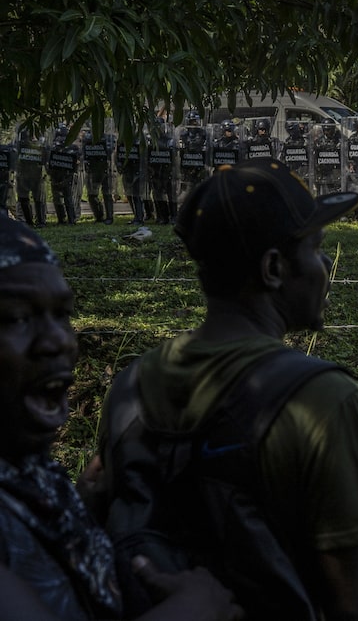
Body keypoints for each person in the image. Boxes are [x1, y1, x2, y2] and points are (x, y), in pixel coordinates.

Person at [99, 158, 358, 620]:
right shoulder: (319, 399)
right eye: (316, 249)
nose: (324, 267)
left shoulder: (130, 386)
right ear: (274, 268)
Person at [0, 216, 243, 621]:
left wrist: (83, 505)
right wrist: (193, 610)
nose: (58, 340)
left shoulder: (31, 475)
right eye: (16, 318)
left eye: (63, 314)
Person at [81, 128, 117, 224]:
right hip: (92, 169)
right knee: (92, 195)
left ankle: (109, 217)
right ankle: (99, 216)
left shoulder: (108, 138)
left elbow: (110, 151)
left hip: (106, 168)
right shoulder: (87, 138)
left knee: (107, 194)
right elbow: (83, 153)